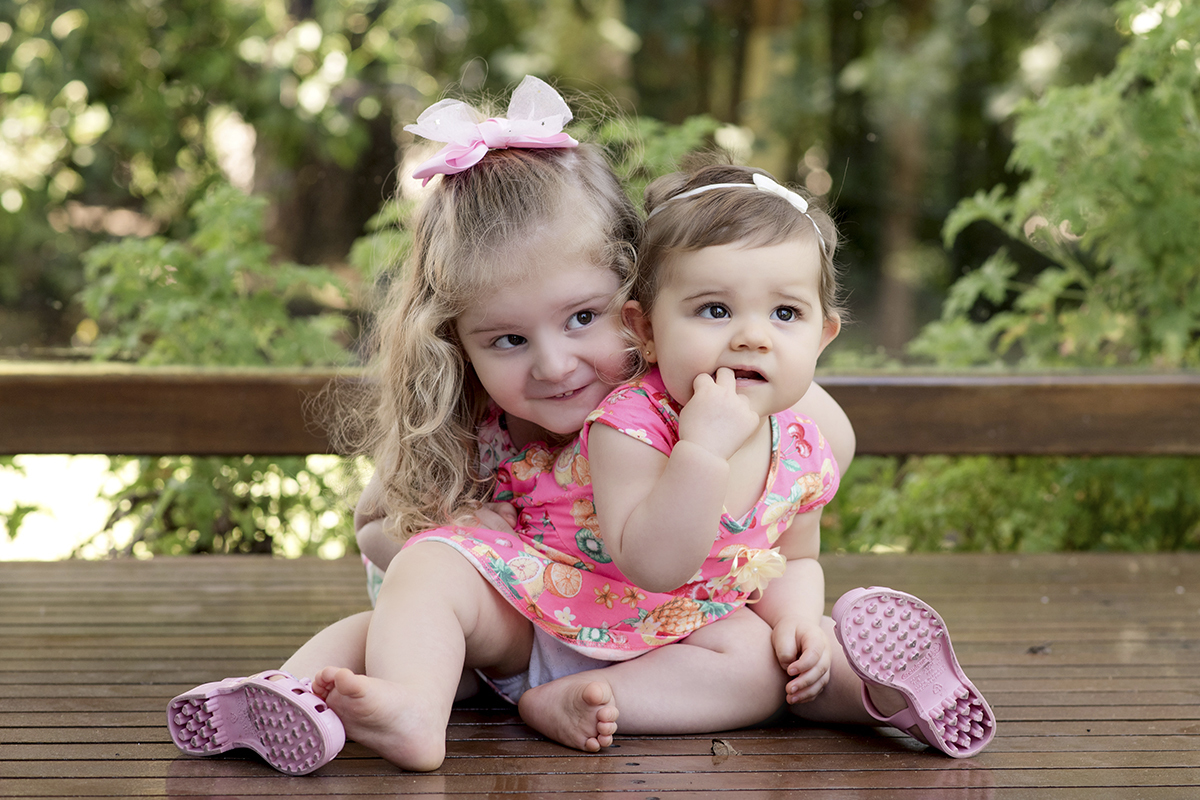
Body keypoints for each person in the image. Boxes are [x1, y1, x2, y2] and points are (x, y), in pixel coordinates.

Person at [165, 77, 854, 776]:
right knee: (412, 596)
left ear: (640, 301)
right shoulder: (464, 419)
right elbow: (372, 526)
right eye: (508, 340)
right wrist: (453, 531)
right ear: (456, 342)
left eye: (582, 318)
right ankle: (314, 698)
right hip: (516, 628)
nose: (554, 365)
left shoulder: (688, 390)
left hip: (667, 637)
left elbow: (801, 482)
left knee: (758, 664)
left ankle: (583, 700)